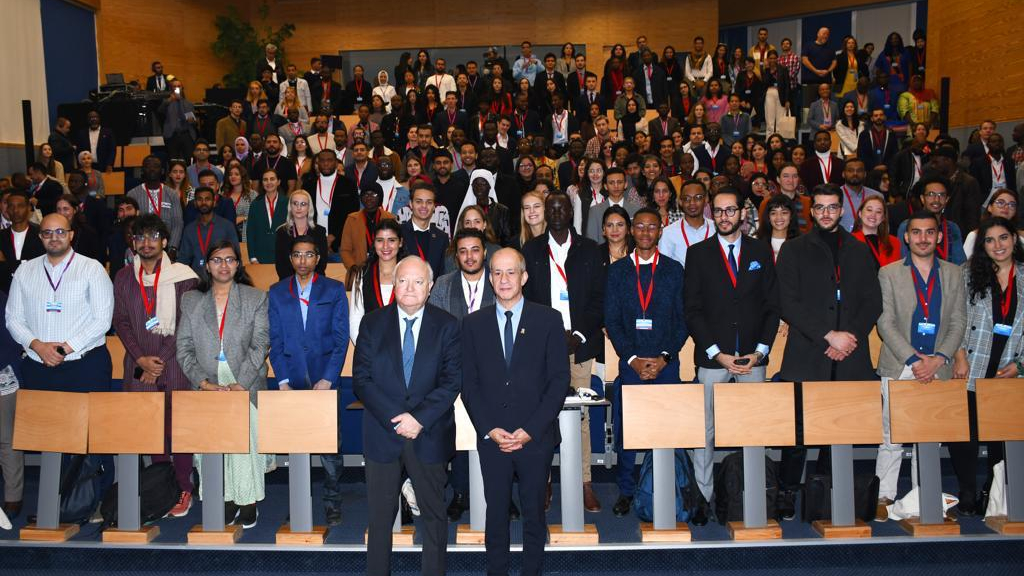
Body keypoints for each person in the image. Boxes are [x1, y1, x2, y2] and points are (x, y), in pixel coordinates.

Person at [775, 184, 882, 520]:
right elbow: (786, 302)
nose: (825, 213)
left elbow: (872, 302)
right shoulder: (793, 250)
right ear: (811, 212)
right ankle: (787, 493)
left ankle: (823, 493)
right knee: (798, 433)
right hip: (808, 353)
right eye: (819, 207)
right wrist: (827, 337)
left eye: (832, 207)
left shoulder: (860, 250)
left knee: (836, 433)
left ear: (841, 211)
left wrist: (849, 338)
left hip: (849, 355)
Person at [461, 247, 568, 576]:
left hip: (534, 437)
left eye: (510, 272)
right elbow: (469, 383)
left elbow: (559, 381)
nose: (503, 279)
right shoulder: (473, 323)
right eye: (496, 273)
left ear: (523, 277)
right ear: (490, 278)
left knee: (534, 514)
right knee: (495, 515)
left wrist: (530, 430)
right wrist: (490, 428)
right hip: (493, 438)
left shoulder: (549, 319)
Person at [353, 254, 460, 576]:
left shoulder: (448, 325)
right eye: (403, 280)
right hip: (383, 434)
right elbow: (362, 380)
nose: (410, 288)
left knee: (433, 515)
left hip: (429, 433)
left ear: (429, 287)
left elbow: (452, 380)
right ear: (394, 285)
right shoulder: (372, 323)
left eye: (417, 281)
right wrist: (398, 417)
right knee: (380, 517)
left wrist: (419, 419)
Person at [684, 184, 780, 525]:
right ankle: (703, 498)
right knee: (704, 431)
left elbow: (773, 305)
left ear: (742, 213)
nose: (724, 216)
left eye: (730, 210)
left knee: (755, 429)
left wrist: (760, 351)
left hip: (753, 357)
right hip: (713, 359)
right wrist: (716, 352)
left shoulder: (760, 251)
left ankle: (754, 497)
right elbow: (692, 309)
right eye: (719, 211)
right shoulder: (698, 254)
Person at [874, 209, 966, 516]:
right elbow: (885, 323)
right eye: (916, 232)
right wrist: (914, 359)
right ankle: (884, 496)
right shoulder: (888, 273)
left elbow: (958, 321)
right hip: (901, 364)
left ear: (939, 237)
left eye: (929, 232)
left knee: (929, 437)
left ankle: (923, 495)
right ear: (907, 237)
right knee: (891, 435)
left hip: (938, 367)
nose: (923, 238)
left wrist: (939, 359)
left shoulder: (954, 273)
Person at [521, 192, 606, 512]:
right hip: (541, 348)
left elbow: (600, 297)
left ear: (571, 211)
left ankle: (584, 482)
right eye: (551, 207)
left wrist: (579, 334)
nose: (556, 212)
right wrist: (547, 336)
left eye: (562, 207)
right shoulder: (531, 250)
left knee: (579, 417)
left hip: (580, 346)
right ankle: (541, 482)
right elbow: (523, 298)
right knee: (541, 417)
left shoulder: (589, 249)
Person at [176, 240, 269, 529]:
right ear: (207, 265)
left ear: (238, 265)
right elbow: (184, 347)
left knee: (245, 445)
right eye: (217, 260)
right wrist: (202, 382)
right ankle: (224, 500)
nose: (224, 265)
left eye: (230, 260)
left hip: (245, 382)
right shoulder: (191, 301)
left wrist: (241, 383)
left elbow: (261, 343)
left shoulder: (255, 298)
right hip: (207, 385)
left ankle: (248, 501)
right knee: (213, 447)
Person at [112, 214, 200, 517]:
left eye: (152, 237)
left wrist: (158, 360)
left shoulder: (184, 276)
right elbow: (120, 321)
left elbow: (186, 322)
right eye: (139, 237)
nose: (146, 243)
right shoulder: (124, 277)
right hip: (138, 364)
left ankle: (184, 485)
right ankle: (163, 488)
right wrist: (140, 359)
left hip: (174, 362)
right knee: (151, 427)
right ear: (133, 242)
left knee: (179, 428)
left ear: (164, 241)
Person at [605, 207, 687, 516]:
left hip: (666, 363)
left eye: (651, 227)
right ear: (631, 230)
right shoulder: (617, 271)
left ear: (660, 231)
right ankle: (626, 490)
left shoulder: (674, 270)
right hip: (631, 363)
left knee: (670, 428)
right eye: (639, 226)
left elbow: (683, 321)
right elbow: (612, 321)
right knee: (627, 431)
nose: (645, 232)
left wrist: (665, 357)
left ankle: (672, 487)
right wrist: (633, 358)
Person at [267, 234, 348, 526]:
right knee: (296, 444)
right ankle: (300, 500)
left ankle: (332, 500)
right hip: (292, 380)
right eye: (297, 255)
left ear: (318, 259)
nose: (303, 260)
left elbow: (341, 340)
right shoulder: (276, 292)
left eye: (309, 255)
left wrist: (328, 378)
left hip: (324, 379)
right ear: (291, 259)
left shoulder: (334, 290)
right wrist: (283, 381)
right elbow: (274, 341)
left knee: (330, 448)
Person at [951, 217, 1024, 516]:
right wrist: (958, 355)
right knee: (965, 432)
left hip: (1009, 365)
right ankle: (967, 491)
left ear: (1014, 240)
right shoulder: (968, 274)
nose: (998, 245)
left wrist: (1020, 365)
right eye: (990, 240)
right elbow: (954, 318)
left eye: (1003, 238)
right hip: (972, 361)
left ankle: (994, 490)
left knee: (1000, 434)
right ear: (982, 246)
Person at [426, 229, 495, 521]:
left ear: (484, 252)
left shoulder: (499, 281)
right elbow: (434, 329)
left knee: (493, 434)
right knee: (459, 437)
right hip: (453, 371)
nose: (469, 256)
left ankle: (498, 495)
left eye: (475, 250)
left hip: (493, 372)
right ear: (456, 256)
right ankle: (461, 493)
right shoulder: (442, 285)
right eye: (463, 251)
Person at [348, 219, 406, 344]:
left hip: (405, 348)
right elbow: (355, 319)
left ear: (400, 242)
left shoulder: (410, 273)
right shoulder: (362, 274)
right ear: (374, 243)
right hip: (370, 349)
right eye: (380, 240)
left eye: (391, 240)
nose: (385, 246)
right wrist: (366, 350)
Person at [896, 175, 967, 265]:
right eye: (931, 194)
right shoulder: (907, 226)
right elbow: (904, 261)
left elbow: (960, 262)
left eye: (941, 195)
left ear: (947, 200)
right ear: (922, 198)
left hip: (947, 276)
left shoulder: (952, 227)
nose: (936, 199)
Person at [303, 149, 360, 256]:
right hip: (313, 243)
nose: (325, 163)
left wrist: (333, 237)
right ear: (317, 163)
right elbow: (304, 215)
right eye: (322, 160)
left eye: (329, 160)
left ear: (336, 162)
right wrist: (318, 237)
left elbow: (352, 214)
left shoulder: (348, 185)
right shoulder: (308, 185)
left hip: (341, 244)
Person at [0, 289, 24, 519]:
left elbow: (12, 342)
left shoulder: (4, 300)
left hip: (2, 376)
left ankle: (13, 498)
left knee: (5, 440)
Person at [178, 187, 239, 277]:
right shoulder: (189, 229)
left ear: (214, 203)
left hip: (222, 276)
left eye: (207, 199)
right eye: (199, 199)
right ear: (194, 203)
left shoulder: (227, 226)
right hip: (196, 278)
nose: (203, 203)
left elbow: (236, 254)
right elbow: (183, 260)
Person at [129, 155, 184, 250]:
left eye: (156, 166)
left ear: (162, 171)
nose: (152, 169)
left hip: (167, 247)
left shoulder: (172, 194)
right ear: (142, 171)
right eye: (148, 166)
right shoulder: (133, 194)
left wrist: (172, 248)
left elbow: (177, 224)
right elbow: (130, 225)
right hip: (142, 246)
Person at [341, 183, 396, 270]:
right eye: (366, 194)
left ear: (380, 198)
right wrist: (352, 267)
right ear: (361, 198)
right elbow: (345, 250)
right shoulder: (352, 219)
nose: (369, 197)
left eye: (374, 194)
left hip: (384, 269)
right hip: (358, 270)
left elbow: (395, 247)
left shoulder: (390, 218)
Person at [658, 178, 712, 266]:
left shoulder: (716, 229)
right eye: (686, 198)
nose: (692, 203)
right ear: (680, 202)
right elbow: (664, 268)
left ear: (706, 199)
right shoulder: (668, 233)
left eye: (698, 197)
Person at [400, 183, 449, 277]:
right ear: (411, 204)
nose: (424, 206)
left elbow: (444, 272)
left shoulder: (442, 237)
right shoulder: (399, 233)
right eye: (419, 201)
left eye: (429, 202)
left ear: (434, 206)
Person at [0, 192, 44, 293]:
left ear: (29, 208)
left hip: (36, 291)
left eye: (20, 206)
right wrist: (26, 263)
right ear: (7, 209)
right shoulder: (1, 237)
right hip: (5, 293)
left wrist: (5, 264)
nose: (15, 210)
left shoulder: (41, 235)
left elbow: (41, 268)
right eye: (11, 206)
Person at [585, 168, 642, 241]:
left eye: (620, 182)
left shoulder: (636, 210)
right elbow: (592, 240)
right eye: (611, 183)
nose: (616, 186)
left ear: (625, 184)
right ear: (605, 186)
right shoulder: (595, 211)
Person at [964, 189, 1024, 259]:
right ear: (990, 207)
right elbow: (963, 266)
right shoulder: (974, 236)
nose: (1006, 207)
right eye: (1001, 203)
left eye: (1012, 205)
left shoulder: (1021, 237)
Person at [852, 195, 901, 268]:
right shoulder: (849, 241)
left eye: (878, 212)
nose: (873, 215)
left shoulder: (894, 243)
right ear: (860, 213)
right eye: (869, 210)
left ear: (883, 218)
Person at [836, 158, 884, 231]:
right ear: (843, 174)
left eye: (859, 171)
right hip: (842, 240)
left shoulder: (877, 196)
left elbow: (883, 225)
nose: (855, 174)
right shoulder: (835, 195)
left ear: (865, 174)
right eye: (850, 170)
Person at [159, 79, 198, 161]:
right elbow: (160, 111)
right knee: (173, 160)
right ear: (171, 89)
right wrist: (169, 100)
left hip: (186, 135)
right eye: (174, 86)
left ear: (182, 88)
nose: (177, 88)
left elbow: (192, 120)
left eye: (179, 86)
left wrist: (180, 101)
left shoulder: (188, 103)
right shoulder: (167, 102)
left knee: (189, 160)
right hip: (172, 135)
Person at [756, 194, 800, 262]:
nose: (779, 217)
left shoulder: (801, 243)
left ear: (791, 216)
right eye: (773, 213)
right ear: (768, 217)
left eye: (784, 213)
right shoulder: (757, 242)